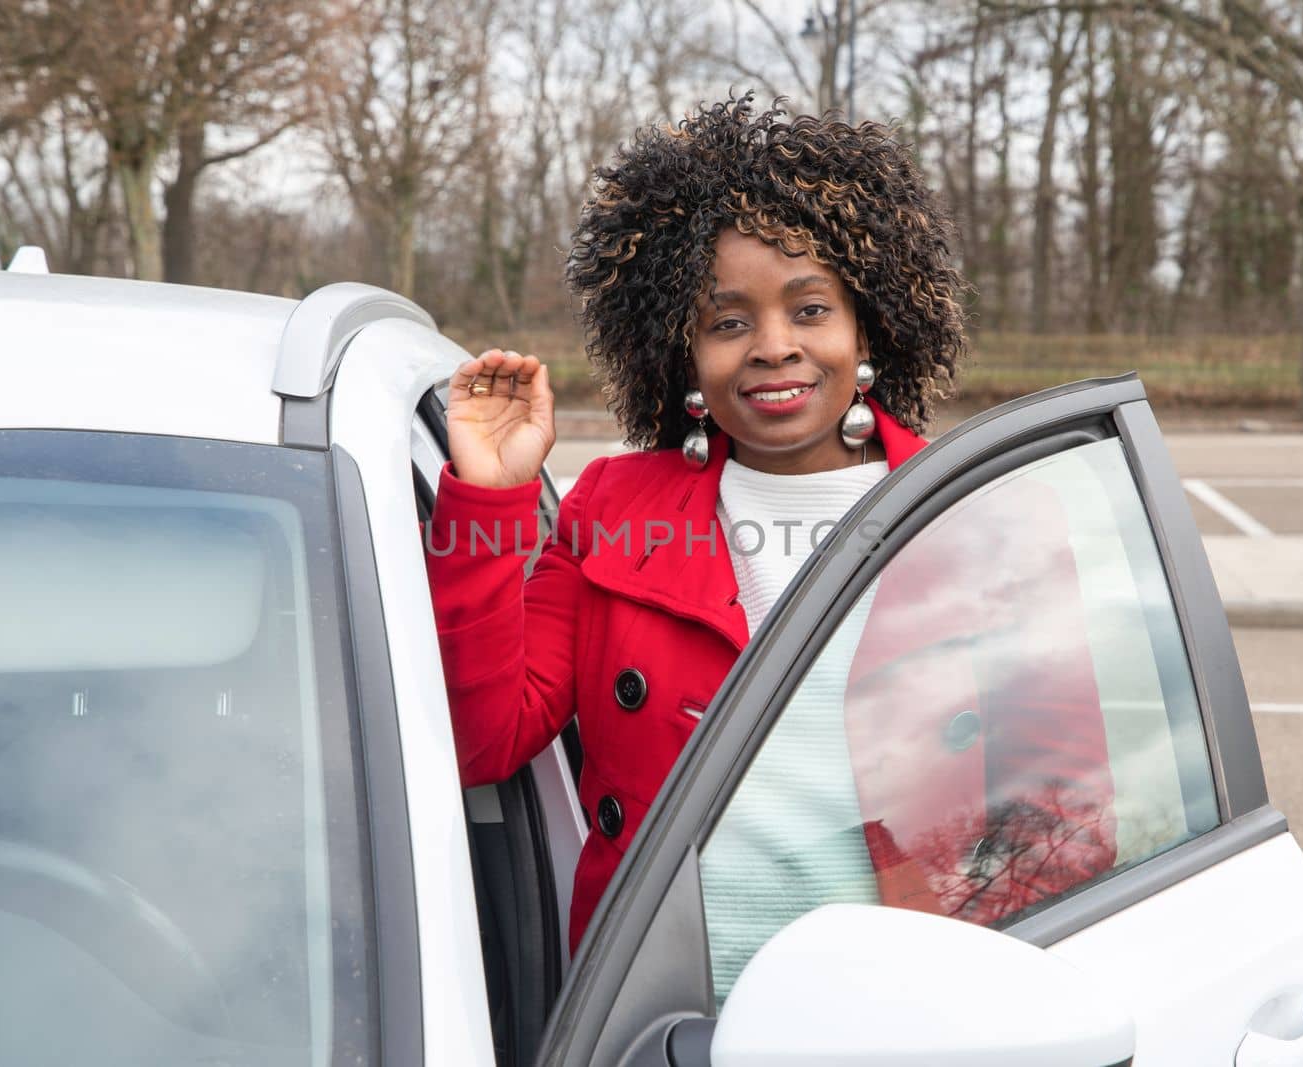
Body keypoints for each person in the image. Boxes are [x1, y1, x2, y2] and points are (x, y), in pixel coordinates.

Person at [425, 95, 1115, 955]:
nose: (773, 345)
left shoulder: (982, 511)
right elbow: (481, 741)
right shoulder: (609, 506)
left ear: (872, 326)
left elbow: (1061, 817)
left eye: (811, 309)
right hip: (656, 1008)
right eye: (728, 321)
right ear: (683, 355)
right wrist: (490, 495)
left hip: (908, 1008)